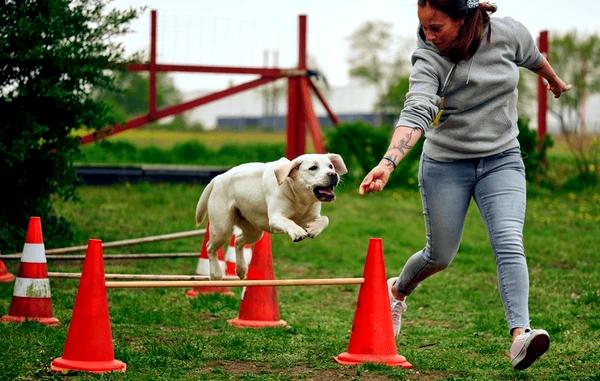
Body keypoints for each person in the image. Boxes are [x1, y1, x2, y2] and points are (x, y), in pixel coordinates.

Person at [358, 0, 570, 371]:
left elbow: (533, 57)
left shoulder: (508, 34)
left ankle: (520, 335)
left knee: (508, 240)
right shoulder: (428, 57)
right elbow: (418, 107)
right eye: (423, 26)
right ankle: (397, 291)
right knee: (439, 255)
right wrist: (388, 162)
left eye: (436, 27)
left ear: (465, 19)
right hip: (445, 164)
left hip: (502, 159)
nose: (428, 35)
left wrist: (553, 80)